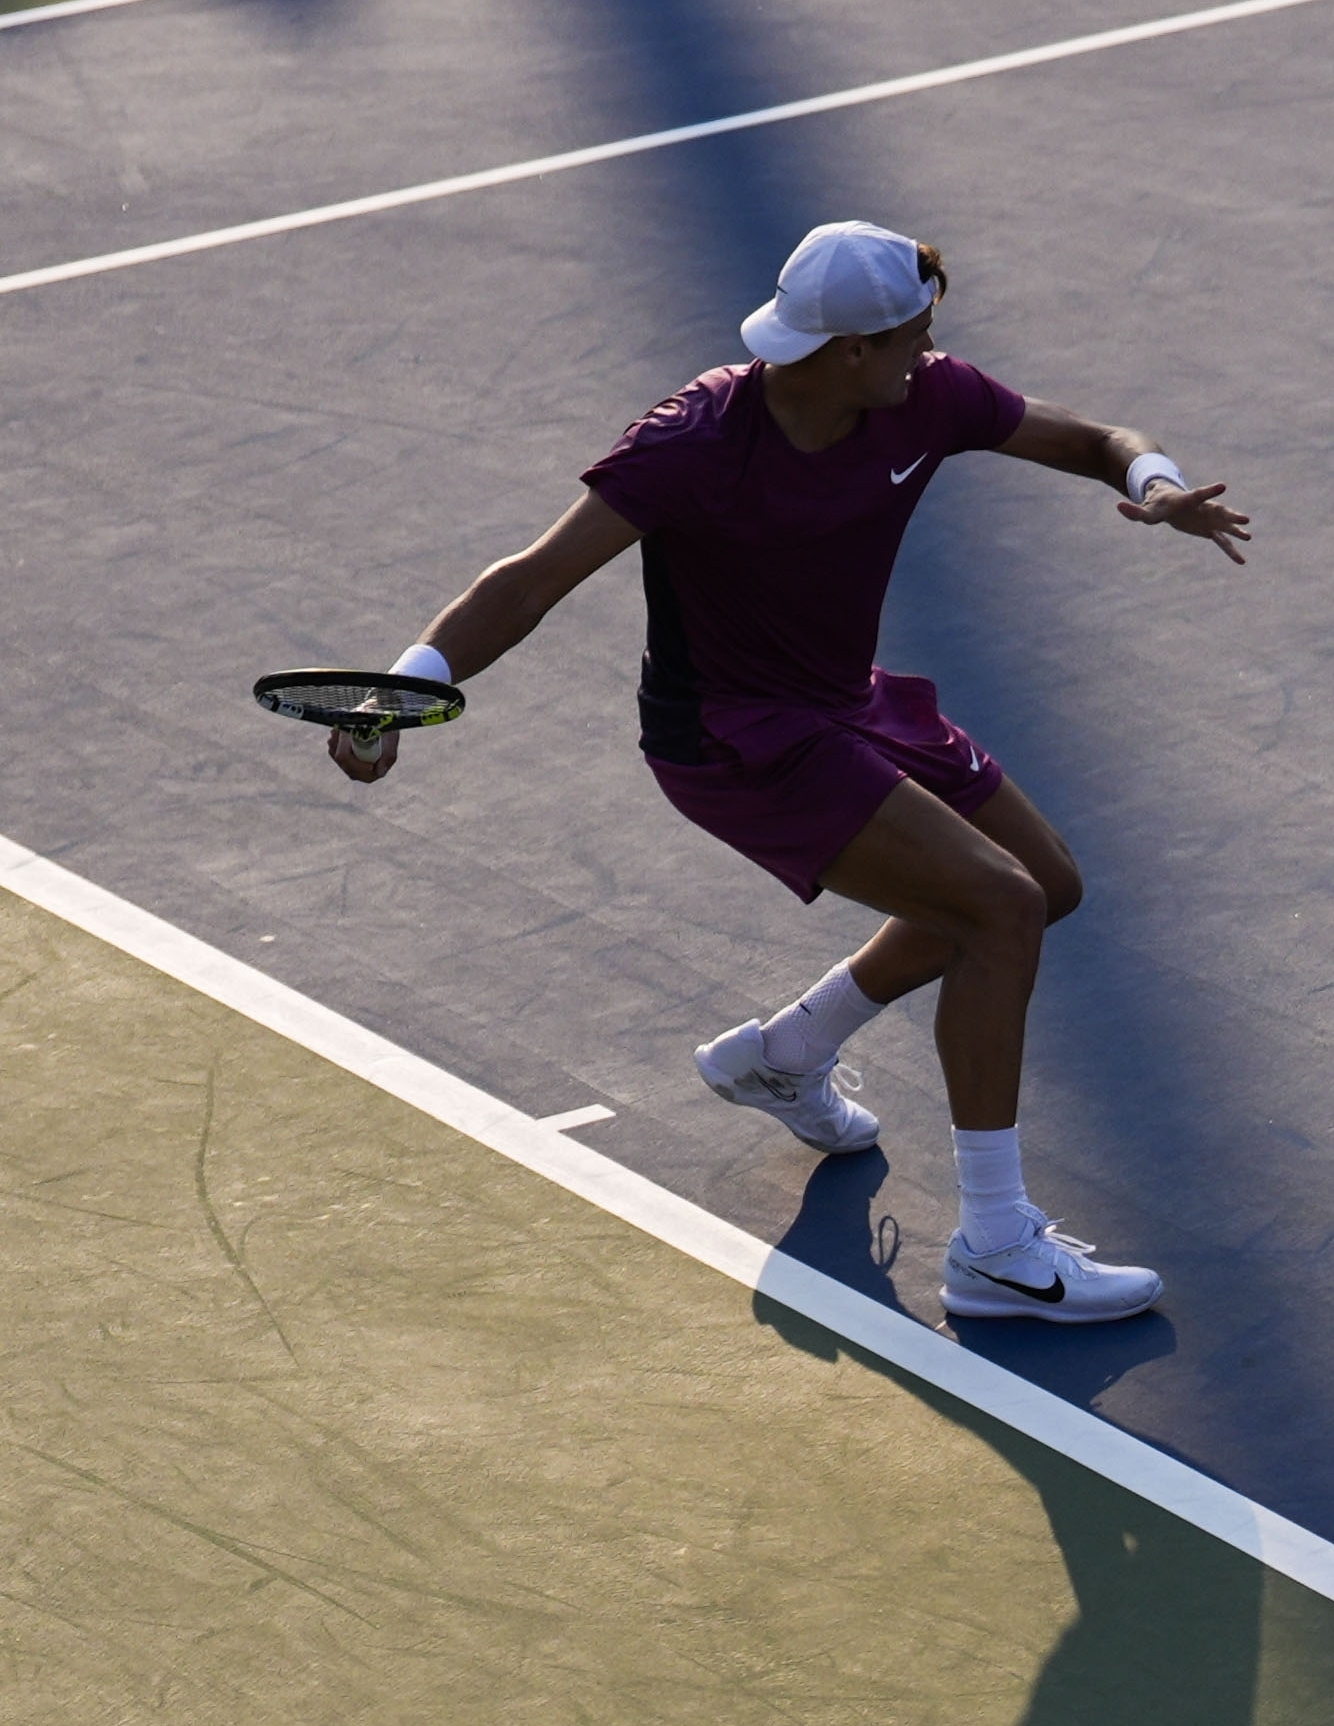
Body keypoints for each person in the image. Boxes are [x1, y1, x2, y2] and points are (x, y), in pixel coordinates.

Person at [333, 218, 1249, 1324]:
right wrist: (398, 694)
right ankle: (998, 1248)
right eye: (912, 337)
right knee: (999, 908)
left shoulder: (929, 397)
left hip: (843, 702)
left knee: (1043, 884)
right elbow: (526, 583)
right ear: (848, 351)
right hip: (732, 738)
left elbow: (1097, 439)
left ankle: (789, 1052)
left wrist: (1155, 485)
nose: (931, 352)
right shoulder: (691, 445)